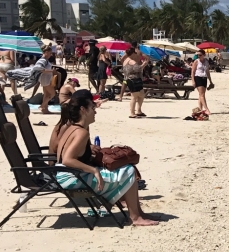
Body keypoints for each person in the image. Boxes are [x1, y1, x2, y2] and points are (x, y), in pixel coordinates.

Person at [53, 90, 158, 226]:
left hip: (64, 175)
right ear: (83, 110)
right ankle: (135, 217)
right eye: (92, 108)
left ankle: (138, 213)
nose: (95, 111)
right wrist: (94, 171)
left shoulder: (71, 128)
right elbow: (68, 159)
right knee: (128, 171)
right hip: (71, 178)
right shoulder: (81, 133)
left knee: (125, 169)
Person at [121, 46, 146, 118]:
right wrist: (144, 64)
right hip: (133, 79)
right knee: (134, 97)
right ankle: (132, 113)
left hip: (131, 79)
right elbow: (138, 69)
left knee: (141, 94)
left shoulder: (125, 60)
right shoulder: (131, 61)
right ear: (132, 53)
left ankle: (139, 110)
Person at [193, 49, 214, 114]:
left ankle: (200, 109)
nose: (198, 56)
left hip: (204, 78)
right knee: (202, 95)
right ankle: (206, 109)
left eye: (200, 55)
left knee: (201, 95)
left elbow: (207, 72)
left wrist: (210, 81)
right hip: (198, 77)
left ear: (204, 55)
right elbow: (192, 72)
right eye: (197, 55)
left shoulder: (206, 61)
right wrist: (193, 81)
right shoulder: (196, 61)